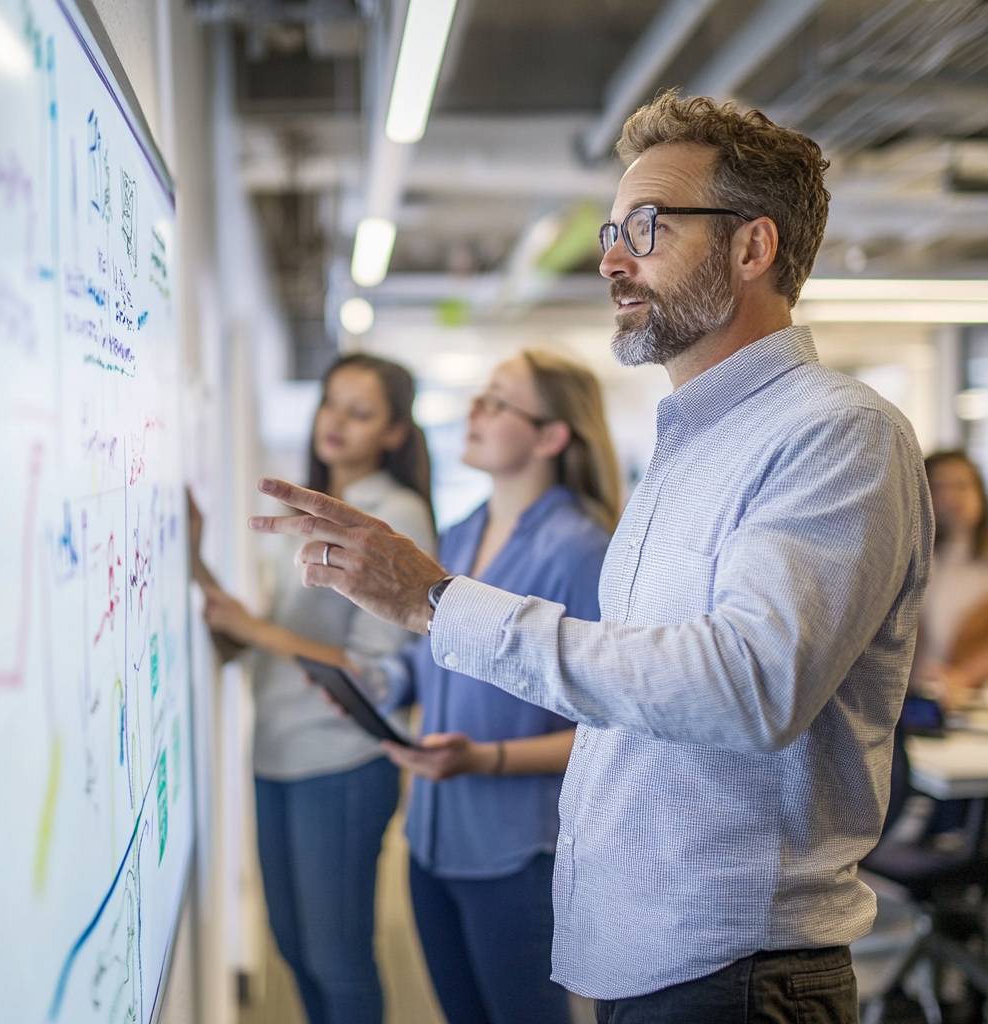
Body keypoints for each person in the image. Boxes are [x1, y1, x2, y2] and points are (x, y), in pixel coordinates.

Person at [248, 91, 934, 1024]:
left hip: (736, 971)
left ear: (752, 247)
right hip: (645, 961)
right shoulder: (684, 454)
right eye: (615, 229)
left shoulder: (835, 433)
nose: (611, 257)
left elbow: (748, 686)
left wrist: (440, 603)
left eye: (646, 227)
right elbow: (632, 698)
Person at [368, 349, 618, 1024]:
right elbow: (435, 658)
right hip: (432, 838)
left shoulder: (581, 549)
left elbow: (614, 724)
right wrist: (379, 682)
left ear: (551, 436)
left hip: (518, 851)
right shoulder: (461, 530)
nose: (475, 412)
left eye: (498, 402)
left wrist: (488, 759)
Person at [190, 354, 436, 1024]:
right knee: (296, 953)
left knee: (338, 962)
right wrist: (192, 559)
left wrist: (254, 628)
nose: (338, 424)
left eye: (361, 413)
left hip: (342, 764)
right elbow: (252, 633)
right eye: (332, 405)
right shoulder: (305, 507)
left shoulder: (394, 513)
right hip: (274, 752)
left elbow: (375, 673)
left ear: (392, 433)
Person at [912, 449, 988, 707]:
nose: (950, 498)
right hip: (914, 700)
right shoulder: (911, 560)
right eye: (939, 487)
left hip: (972, 701)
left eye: (961, 486)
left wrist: (963, 677)